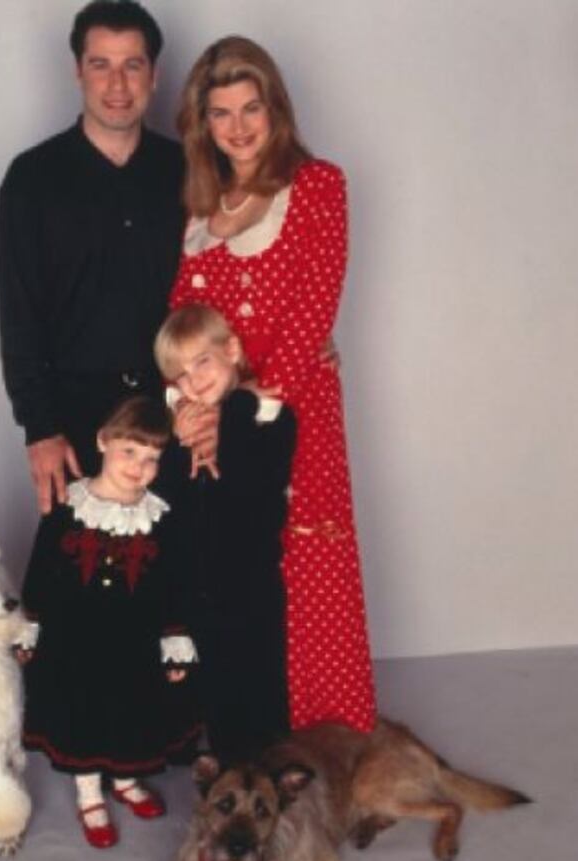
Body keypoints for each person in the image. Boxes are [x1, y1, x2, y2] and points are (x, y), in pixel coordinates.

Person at [170, 36, 377, 734]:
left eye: (250, 108)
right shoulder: (201, 206)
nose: (238, 128)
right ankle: (250, 729)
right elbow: (182, 322)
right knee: (237, 568)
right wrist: (190, 408)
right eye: (220, 113)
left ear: (275, 109)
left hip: (294, 409)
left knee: (305, 557)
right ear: (202, 123)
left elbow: (314, 309)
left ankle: (324, 734)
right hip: (217, 414)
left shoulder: (317, 185)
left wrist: (245, 410)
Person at [0, 1, 184, 512]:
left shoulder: (188, 170)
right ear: (78, 71)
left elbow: (231, 282)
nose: (117, 84)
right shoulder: (32, 179)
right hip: (74, 425)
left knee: (185, 561)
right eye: (101, 64)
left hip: (177, 412)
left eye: (132, 65)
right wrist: (40, 428)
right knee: (79, 562)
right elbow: (19, 313)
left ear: (154, 75)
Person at [20, 396, 200, 849]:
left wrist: (174, 640)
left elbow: (174, 584)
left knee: (131, 711)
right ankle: (89, 795)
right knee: (82, 712)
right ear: (103, 441)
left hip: (134, 644)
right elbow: (40, 572)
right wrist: (30, 627)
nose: (139, 467)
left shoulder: (159, 517)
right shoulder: (68, 506)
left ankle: (125, 780)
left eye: (152, 458)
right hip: (74, 641)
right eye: (129, 451)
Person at [155, 304, 296, 759]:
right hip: (196, 585)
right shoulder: (183, 427)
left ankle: (269, 771)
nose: (194, 381)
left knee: (259, 684)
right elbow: (164, 501)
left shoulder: (268, 417)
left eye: (202, 362)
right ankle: (220, 765)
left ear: (232, 350)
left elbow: (247, 487)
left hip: (250, 582)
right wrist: (179, 443)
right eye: (180, 375)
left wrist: (235, 406)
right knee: (211, 686)